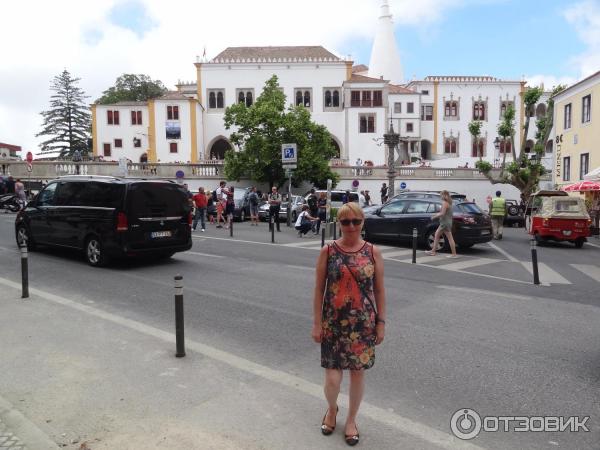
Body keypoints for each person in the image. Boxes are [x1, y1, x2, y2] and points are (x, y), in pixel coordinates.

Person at [312, 202, 386, 446]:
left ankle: (352, 420)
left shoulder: (373, 252)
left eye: (356, 221)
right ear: (339, 224)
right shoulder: (328, 251)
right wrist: (317, 323)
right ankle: (332, 409)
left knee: (357, 375)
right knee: (332, 381)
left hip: (362, 325)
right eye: (345, 222)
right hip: (333, 324)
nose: (351, 226)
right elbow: (319, 289)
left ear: (363, 222)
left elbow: (379, 290)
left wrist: (381, 323)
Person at [427, 190, 458, 257]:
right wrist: (438, 213)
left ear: (444, 195)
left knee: (440, 236)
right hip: (448, 222)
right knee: (438, 235)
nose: (440, 196)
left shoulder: (445, 203)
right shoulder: (449, 202)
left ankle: (453, 254)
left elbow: (442, 213)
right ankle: (433, 251)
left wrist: (434, 217)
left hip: (444, 223)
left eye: (441, 195)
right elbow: (445, 213)